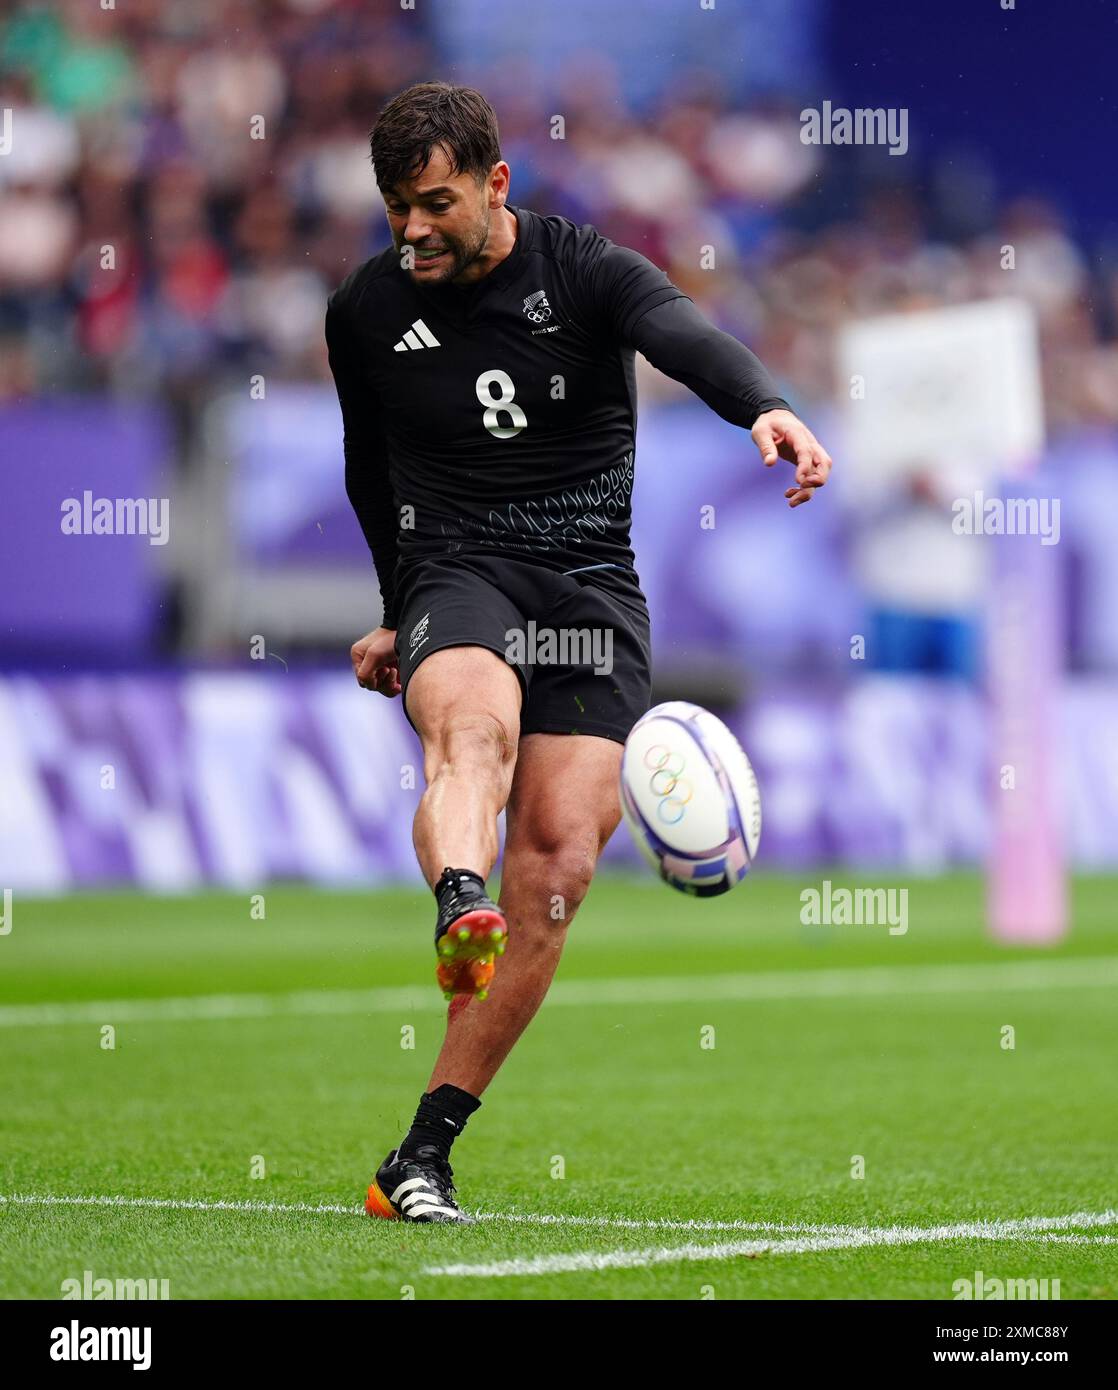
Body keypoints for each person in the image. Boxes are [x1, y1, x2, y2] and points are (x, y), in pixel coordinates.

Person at [326, 82, 832, 1223]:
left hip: (591, 593)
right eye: (395, 207)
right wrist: (395, 605)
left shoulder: (586, 270)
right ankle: (459, 899)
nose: (411, 229)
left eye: (435, 204)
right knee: (470, 731)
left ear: (497, 185)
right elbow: (370, 471)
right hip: (457, 572)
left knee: (554, 867)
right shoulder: (362, 311)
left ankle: (420, 1154)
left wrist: (764, 407)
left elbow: (684, 336)